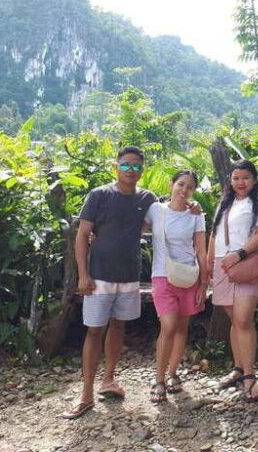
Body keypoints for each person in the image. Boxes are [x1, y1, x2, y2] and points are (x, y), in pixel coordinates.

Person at [62, 146, 157, 420]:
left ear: (142, 169)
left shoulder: (147, 198)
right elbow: (82, 235)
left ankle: (109, 380)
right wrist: (83, 274)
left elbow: (165, 217)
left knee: (119, 326)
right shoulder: (99, 195)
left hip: (129, 277)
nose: (131, 170)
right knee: (94, 332)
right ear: (116, 166)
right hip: (99, 276)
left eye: (136, 166)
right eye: (126, 165)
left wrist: (192, 206)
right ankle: (86, 394)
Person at [207, 159, 258, 402]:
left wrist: (239, 254)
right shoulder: (225, 202)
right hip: (222, 265)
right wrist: (208, 262)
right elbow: (215, 233)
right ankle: (237, 368)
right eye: (235, 178)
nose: (240, 182)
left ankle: (249, 376)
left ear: (254, 179)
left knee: (244, 319)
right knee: (234, 319)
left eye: (245, 177)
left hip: (247, 263)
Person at [143, 170, 207, 404]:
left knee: (181, 328)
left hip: (188, 276)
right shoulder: (156, 210)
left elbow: (201, 250)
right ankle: (158, 378)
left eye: (190, 187)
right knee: (168, 326)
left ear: (194, 191)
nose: (184, 190)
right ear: (171, 184)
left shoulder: (196, 215)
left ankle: (172, 374)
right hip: (162, 275)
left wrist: (204, 282)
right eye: (180, 184)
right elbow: (135, 228)